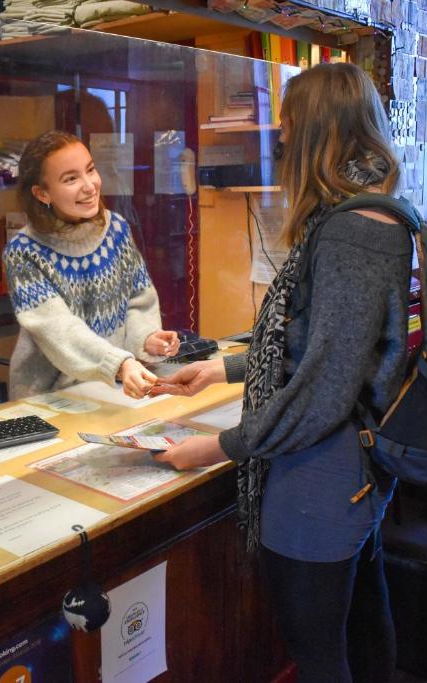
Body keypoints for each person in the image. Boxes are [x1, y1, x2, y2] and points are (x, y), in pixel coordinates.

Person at [151, 63, 410, 683]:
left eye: (290, 126)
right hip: (352, 469)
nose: (282, 140)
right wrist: (223, 370)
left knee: (320, 654)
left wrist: (217, 448)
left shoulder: (352, 233)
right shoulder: (372, 214)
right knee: (364, 627)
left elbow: (323, 389)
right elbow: (323, 348)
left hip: (321, 478)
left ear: (319, 132)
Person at [2, 130, 180, 399]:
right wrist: (119, 363)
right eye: (71, 178)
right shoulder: (24, 252)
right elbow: (58, 329)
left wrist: (146, 338)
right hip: (47, 397)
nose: (89, 185)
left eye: (90, 170)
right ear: (41, 193)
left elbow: (138, 301)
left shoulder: (116, 229)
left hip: (112, 388)